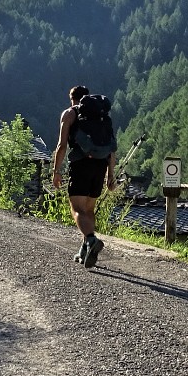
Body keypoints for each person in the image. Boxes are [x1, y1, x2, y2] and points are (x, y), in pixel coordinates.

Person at [52, 84, 116, 268]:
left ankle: (90, 239)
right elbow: (112, 148)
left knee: (77, 209)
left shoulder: (70, 114)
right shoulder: (102, 117)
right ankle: (84, 250)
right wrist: (110, 175)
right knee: (89, 210)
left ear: (72, 98)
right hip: (101, 165)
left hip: (81, 165)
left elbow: (62, 145)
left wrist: (56, 171)